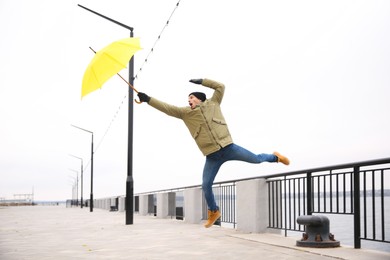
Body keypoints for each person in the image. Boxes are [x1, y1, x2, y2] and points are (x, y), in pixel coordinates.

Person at [137, 78, 290, 228]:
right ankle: (214, 212)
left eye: (191, 97)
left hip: (229, 147)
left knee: (256, 159)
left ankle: (276, 157)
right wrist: (148, 99)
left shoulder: (214, 103)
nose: (189, 100)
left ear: (200, 98)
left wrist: (202, 81)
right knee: (206, 185)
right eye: (188, 98)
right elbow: (167, 108)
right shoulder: (185, 113)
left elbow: (220, 86)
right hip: (212, 155)